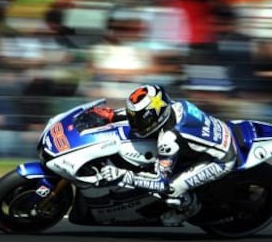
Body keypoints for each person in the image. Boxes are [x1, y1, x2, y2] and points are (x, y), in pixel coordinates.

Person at [82, 84, 236, 226]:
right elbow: (140, 114)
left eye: (140, 120)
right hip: (214, 136)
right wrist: (111, 115)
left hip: (222, 159)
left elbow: (161, 183)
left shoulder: (168, 139)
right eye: (133, 117)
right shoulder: (173, 106)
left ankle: (189, 209)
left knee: (172, 190)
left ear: (155, 118)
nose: (134, 124)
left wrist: (123, 175)